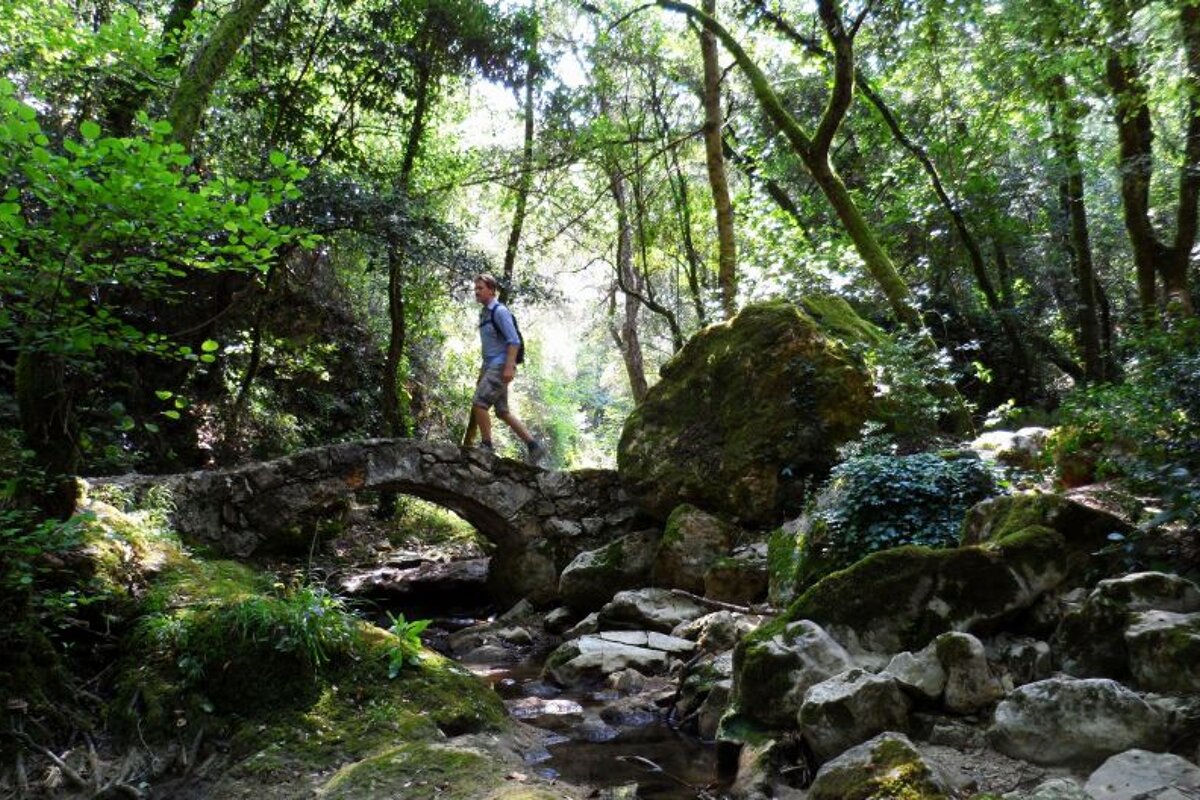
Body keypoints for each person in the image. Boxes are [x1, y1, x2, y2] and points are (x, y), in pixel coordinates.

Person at [466, 273, 544, 464]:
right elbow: (489, 348)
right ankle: (534, 446)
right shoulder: (483, 313)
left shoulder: (499, 311)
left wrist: (510, 366)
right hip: (491, 365)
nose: (476, 292)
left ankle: (486, 446)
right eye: (475, 289)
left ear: (492, 290)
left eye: (480, 288)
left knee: (479, 403)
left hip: (501, 365)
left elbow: (514, 341)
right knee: (502, 411)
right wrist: (482, 372)